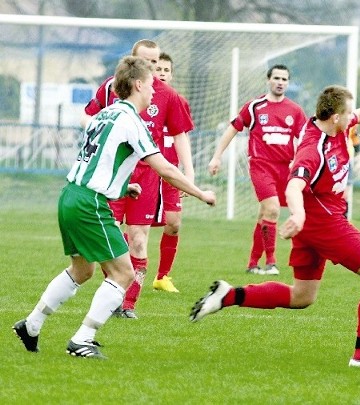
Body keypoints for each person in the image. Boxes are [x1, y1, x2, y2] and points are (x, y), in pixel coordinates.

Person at [190, 85, 360, 370]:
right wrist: (299, 215)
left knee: (301, 296)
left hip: (314, 225)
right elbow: (293, 185)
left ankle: (229, 295)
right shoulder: (312, 149)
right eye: (348, 112)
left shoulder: (336, 124)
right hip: (325, 223)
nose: (353, 116)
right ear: (336, 116)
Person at [12, 56, 216, 359]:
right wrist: (201, 193)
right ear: (137, 85)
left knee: (81, 270)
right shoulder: (131, 120)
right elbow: (166, 169)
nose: (153, 92)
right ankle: (83, 339)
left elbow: (100, 160)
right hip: (90, 204)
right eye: (150, 86)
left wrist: (124, 186)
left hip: (71, 195)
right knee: (124, 273)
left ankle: (32, 324)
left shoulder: (106, 114)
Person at [84, 40, 195, 318]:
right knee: (106, 237)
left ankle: (128, 304)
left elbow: (180, 135)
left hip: (146, 176)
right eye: (147, 62)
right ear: (132, 62)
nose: (153, 68)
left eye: (156, 63)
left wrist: (189, 174)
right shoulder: (112, 88)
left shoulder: (168, 96)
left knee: (138, 240)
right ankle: (114, 291)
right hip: (113, 173)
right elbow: (90, 117)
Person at [208, 64, 307, 276]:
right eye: (277, 78)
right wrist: (216, 157)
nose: (280, 82)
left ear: (288, 83)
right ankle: (271, 262)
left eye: (284, 79)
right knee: (272, 209)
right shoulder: (254, 107)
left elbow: (307, 140)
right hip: (261, 166)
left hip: (285, 168)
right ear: (268, 80)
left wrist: (301, 162)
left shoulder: (295, 111)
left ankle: (253, 263)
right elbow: (232, 129)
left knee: (265, 214)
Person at [150, 52, 193, 293]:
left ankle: (163, 276)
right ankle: (125, 270)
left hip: (170, 174)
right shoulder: (141, 100)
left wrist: (187, 173)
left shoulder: (178, 101)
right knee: (136, 228)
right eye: (159, 69)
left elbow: (183, 137)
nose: (162, 73)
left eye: (167, 70)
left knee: (174, 223)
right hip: (145, 173)